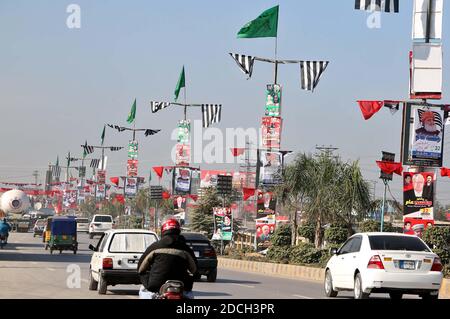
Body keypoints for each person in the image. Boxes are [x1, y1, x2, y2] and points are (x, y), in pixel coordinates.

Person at [137, 218, 197, 299]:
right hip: (181, 284)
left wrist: (146, 279)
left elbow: (140, 268)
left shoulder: (155, 246)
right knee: (189, 294)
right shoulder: (185, 248)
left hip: (156, 285)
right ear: (178, 230)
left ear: (163, 231)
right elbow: (195, 269)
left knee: (143, 290)